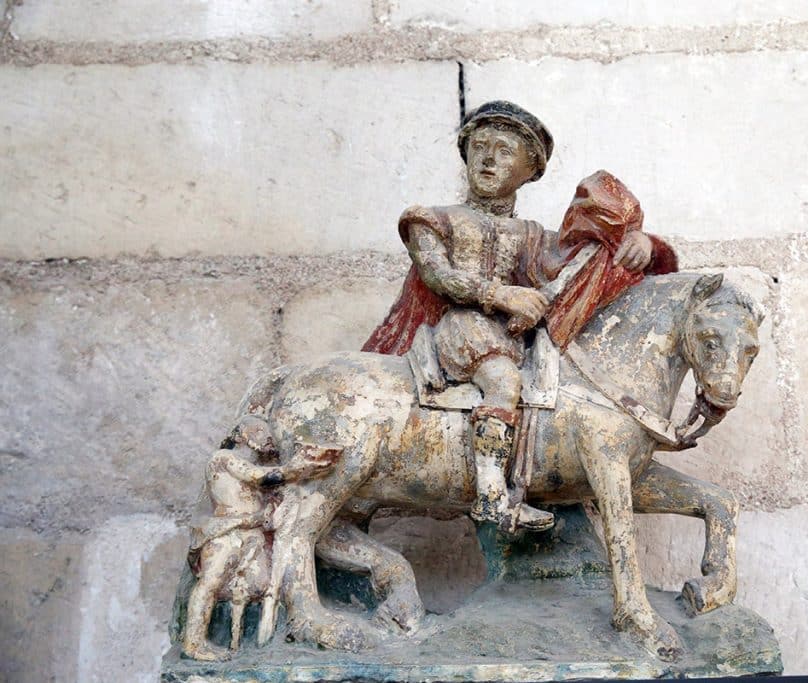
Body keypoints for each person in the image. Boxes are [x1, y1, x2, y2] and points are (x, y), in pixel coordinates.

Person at [363, 101, 675, 532]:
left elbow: (582, 260)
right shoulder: (432, 220)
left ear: (530, 171)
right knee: (503, 382)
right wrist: (501, 295)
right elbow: (438, 275)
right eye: (480, 147)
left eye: (505, 151)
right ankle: (491, 495)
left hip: (519, 337)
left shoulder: (532, 236)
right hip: (463, 327)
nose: (489, 159)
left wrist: (643, 244)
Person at [182, 416, 339, 661]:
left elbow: (267, 490)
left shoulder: (261, 470)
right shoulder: (223, 458)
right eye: (257, 430)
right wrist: (296, 469)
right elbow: (258, 476)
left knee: (262, 585)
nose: (266, 435)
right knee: (210, 584)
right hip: (227, 531)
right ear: (240, 436)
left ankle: (250, 642)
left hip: (253, 535)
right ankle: (193, 644)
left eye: (268, 433)